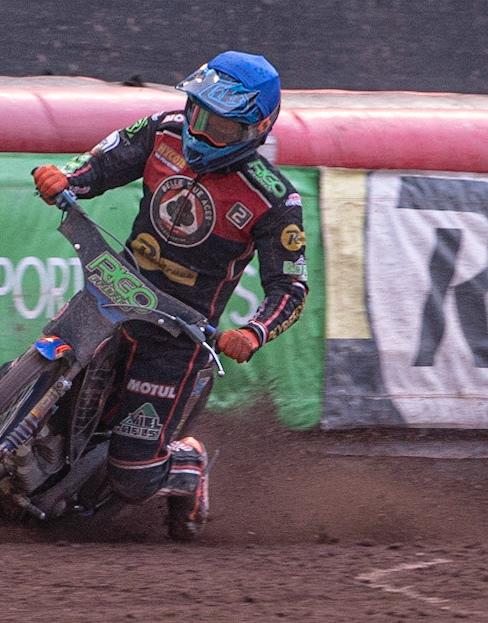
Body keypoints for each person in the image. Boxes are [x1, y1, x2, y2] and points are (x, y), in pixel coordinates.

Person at [32, 51, 308, 541]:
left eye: (221, 127)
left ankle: (188, 463)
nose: (202, 133)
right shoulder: (163, 130)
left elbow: (291, 286)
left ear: (257, 129)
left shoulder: (274, 199)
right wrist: (66, 178)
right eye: (199, 115)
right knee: (31, 376)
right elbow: (103, 163)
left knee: (133, 477)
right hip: (116, 290)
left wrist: (253, 332)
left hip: (178, 335)